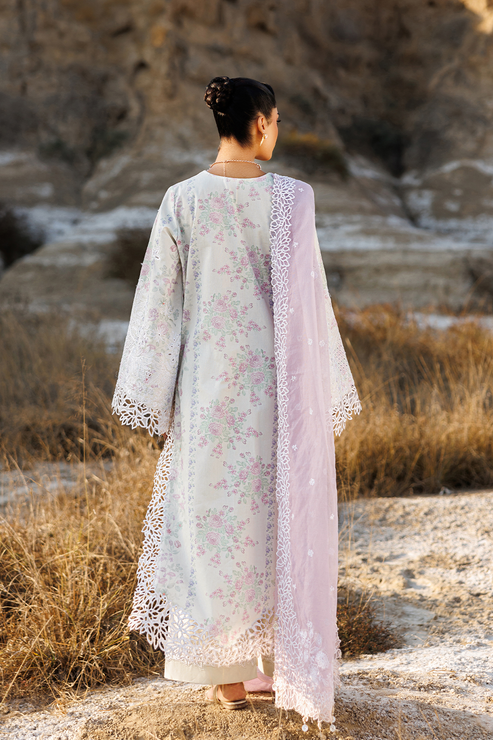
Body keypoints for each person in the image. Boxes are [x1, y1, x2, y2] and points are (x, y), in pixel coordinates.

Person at [112, 75, 361, 730]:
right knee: (274, 522)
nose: (276, 130)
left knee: (213, 527)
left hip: (208, 393)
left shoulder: (182, 200)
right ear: (258, 124)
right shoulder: (294, 199)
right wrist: (324, 390)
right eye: (275, 120)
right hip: (280, 394)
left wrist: (152, 395)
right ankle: (279, 661)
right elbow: (312, 304)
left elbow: (158, 306)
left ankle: (227, 679)